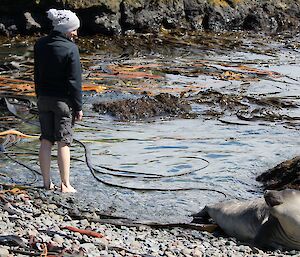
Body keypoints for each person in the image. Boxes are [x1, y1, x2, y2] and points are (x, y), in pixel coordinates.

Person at [34, 9, 83, 193]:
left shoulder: (40, 45)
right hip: (63, 103)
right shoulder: (71, 49)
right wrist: (78, 107)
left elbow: (37, 74)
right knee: (64, 142)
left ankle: (47, 183)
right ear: (65, 29)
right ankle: (65, 185)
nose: (76, 34)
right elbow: (74, 82)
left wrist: (39, 95)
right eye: (74, 30)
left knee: (46, 140)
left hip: (43, 99)